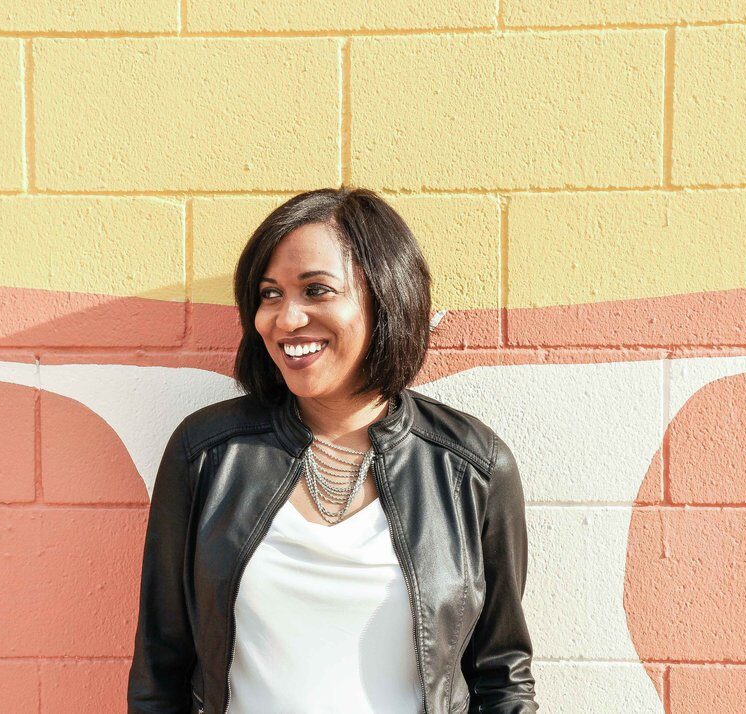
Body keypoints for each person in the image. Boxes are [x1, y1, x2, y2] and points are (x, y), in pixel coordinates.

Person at [128, 186, 538, 713]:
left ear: (387, 296)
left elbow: (502, 676)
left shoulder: (470, 466)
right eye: (270, 294)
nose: (285, 319)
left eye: (316, 290)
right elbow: (161, 668)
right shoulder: (206, 454)